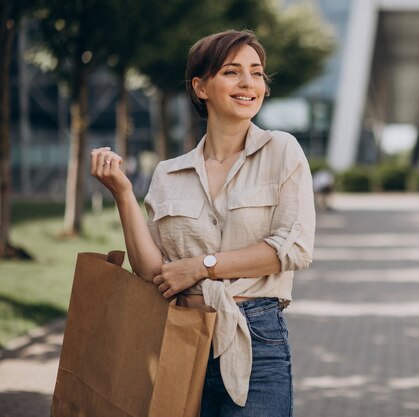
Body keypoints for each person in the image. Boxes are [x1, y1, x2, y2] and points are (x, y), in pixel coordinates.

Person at [91, 30, 315, 417]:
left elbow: (293, 248)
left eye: (257, 73)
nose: (248, 83)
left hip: (255, 337)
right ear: (201, 87)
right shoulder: (168, 173)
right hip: (179, 335)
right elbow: (151, 272)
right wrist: (123, 195)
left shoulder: (281, 150)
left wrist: (203, 266)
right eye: (232, 71)